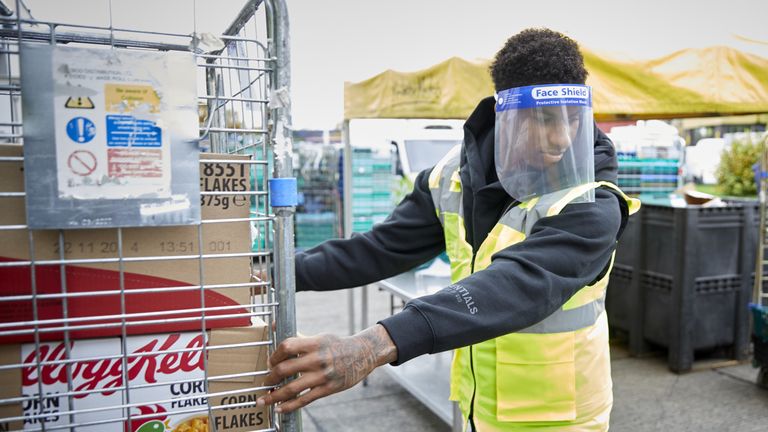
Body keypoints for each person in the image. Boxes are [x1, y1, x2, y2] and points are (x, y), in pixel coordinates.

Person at [257, 28, 640, 431]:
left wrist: (373, 345)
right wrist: (275, 275)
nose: (562, 138)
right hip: (481, 409)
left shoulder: (593, 199)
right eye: (544, 120)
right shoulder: (452, 178)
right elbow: (379, 249)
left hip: (562, 418)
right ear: (504, 115)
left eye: (572, 120)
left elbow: (520, 282)